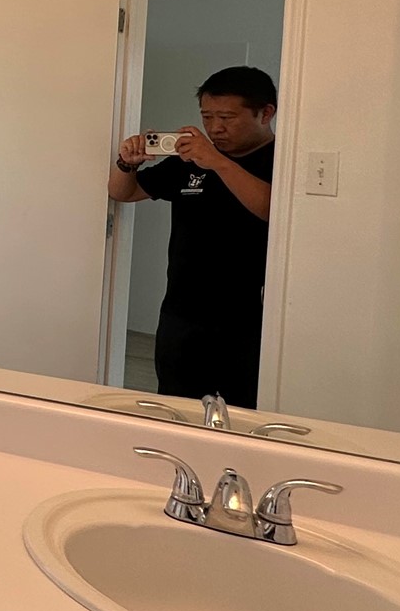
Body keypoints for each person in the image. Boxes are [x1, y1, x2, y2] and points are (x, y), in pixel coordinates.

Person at [107, 65, 277, 409]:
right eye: (207, 116)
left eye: (227, 117)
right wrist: (128, 164)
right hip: (181, 312)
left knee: (241, 415)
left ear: (266, 113)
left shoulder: (281, 160)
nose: (215, 127)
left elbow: (272, 210)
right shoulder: (188, 161)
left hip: (249, 318)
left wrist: (216, 162)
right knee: (175, 408)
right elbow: (123, 193)